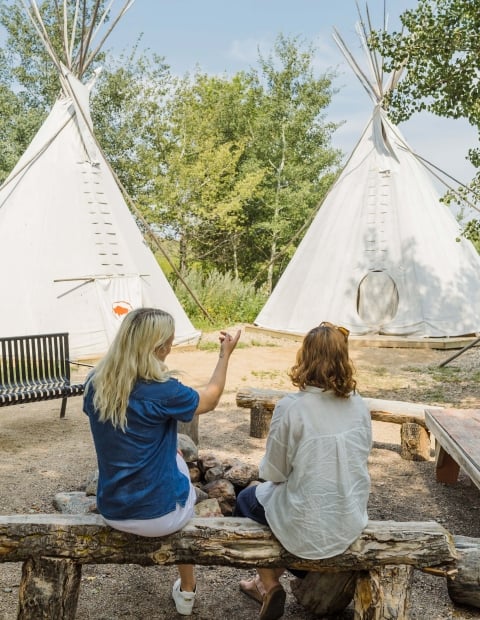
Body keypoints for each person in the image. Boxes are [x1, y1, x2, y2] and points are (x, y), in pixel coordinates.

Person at [83, 307, 240, 616]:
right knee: (179, 462)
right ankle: (187, 589)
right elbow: (210, 398)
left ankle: (186, 590)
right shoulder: (165, 391)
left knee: (171, 454)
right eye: (168, 342)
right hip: (159, 516)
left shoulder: (94, 383)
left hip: (113, 509)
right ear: (157, 348)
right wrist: (225, 354)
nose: (171, 347)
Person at [234, 321, 372, 620]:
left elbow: (275, 472)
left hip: (308, 526)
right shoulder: (359, 404)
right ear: (343, 359)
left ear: (305, 358)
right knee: (289, 502)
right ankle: (262, 581)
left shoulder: (292, 407)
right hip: (349, 518)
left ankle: (268, 584)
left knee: (247, 500)